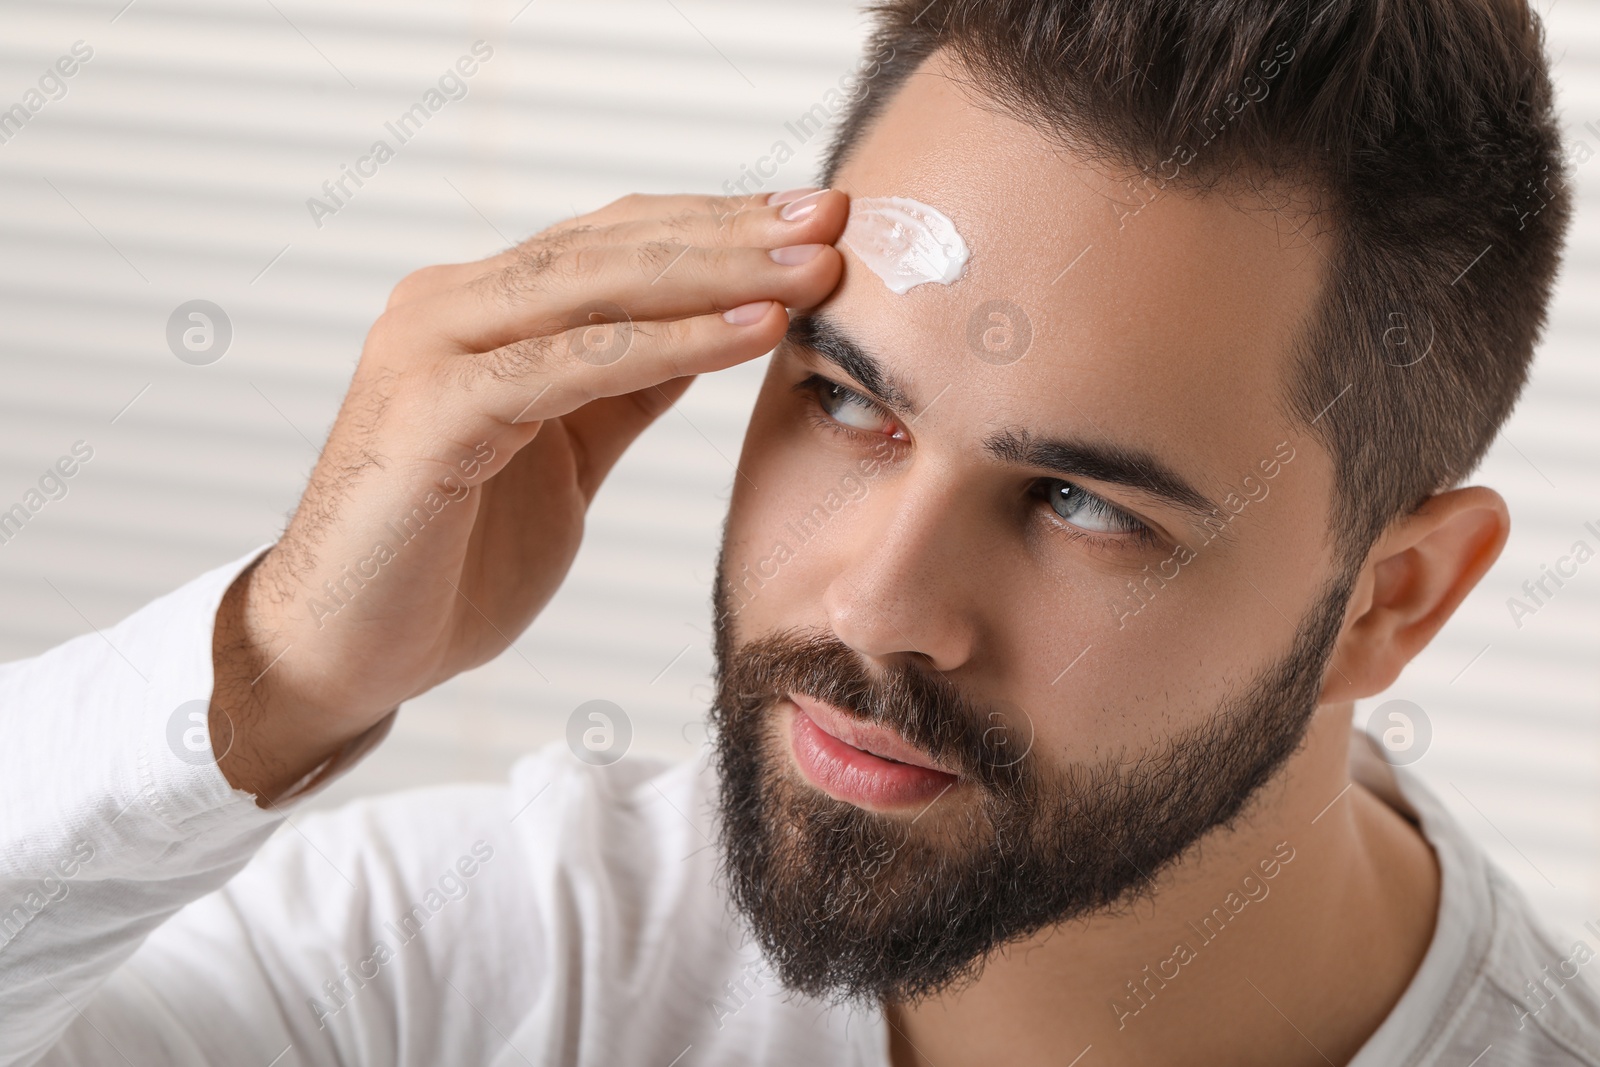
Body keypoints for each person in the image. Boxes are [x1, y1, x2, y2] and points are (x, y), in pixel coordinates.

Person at [2, 0, 1594, 1064]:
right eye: (848, 404)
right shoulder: (458, 969)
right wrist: (273, 674)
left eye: (1081, 502)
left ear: (1393, 603)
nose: (880, 603)